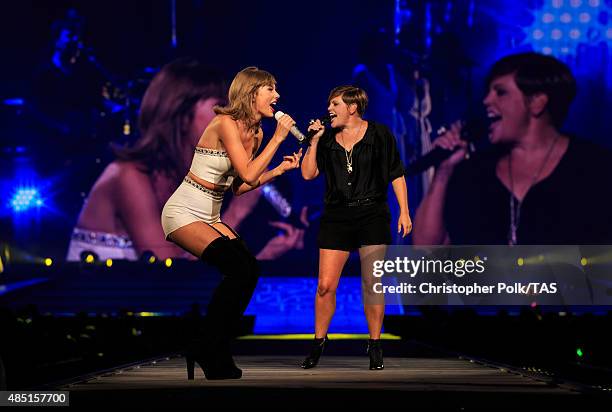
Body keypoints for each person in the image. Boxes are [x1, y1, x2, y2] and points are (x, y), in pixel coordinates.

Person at [161, 66, 301, 380]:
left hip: (211, 215)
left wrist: (277, 171)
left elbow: (240, 186)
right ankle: (210, 346)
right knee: (238, 269)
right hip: (183, 211)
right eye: (270, 89)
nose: (277, 96)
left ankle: (211, 344)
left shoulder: (256, 132)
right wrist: (279, 139)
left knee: (249, 270)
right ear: (252, 93)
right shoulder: (224, 122)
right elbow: (249, 174)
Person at [412, 52, 612, 246]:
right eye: (488, 92)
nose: (487, 101)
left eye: (500, 92)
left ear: (537, 102)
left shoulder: (595, 168)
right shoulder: (475, 172)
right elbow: (427, 248)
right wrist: (444, 170)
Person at [66, 58, 227, 261]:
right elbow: (170, 273)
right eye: (220, 108)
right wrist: (239, 211)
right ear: (182, 115)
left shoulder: (184, 180)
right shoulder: (128, 176)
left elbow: (194, 264)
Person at [300, 85, 412, 370]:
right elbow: (308, 173)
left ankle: (375, 344)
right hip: (337, 215)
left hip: (372, 213)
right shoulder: (326, 138)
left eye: (335, 103)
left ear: (352, 107)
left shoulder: (380, 134)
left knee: (372, 283)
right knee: (325, 286)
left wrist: (405, 211)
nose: (329, 109)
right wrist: (313, 142)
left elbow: (396, 174)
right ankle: (318, 342)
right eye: (329, 103)